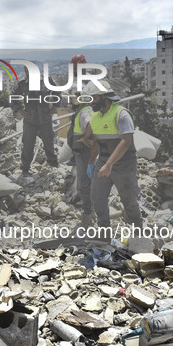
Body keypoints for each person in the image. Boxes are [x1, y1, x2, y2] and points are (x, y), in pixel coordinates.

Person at [84, 80, 143, 229]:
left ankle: (138, 228)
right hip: (103, 161)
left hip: (124, 164)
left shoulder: (121, 115)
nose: (91, 102)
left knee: (128, 198)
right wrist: (91, 163)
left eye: (94, 98)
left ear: (105, 97)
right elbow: (97, 141)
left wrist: (109, 165)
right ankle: (104, 230)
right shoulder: (95, 117)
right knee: (97, 197)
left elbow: (126, 142)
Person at [11, 67, 58, 177]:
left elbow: (57, 91)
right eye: (26, 71)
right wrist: (20, 110)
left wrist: (54, 107)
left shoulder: (47, 80)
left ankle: (52, 163)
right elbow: (13, 96)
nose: (27, 73)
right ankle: (25, 168)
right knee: (28, 144)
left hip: (45, 118)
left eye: (29, 71)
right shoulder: (22, 83)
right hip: (30, 119)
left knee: (49, 142)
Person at [67, 55, 94, 224]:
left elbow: (90, 123)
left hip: (85, 149)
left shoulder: (84, 110)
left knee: (84, 181)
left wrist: (84, 139)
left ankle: (88, 213)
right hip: (82, 148)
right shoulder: (80, 109)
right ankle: (90, 210)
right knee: (84, 179)